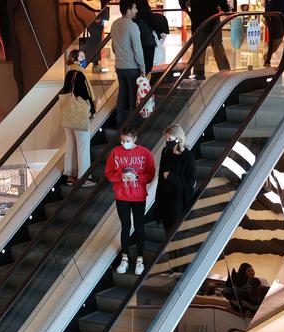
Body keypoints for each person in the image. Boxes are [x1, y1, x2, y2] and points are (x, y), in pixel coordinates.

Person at [105, 127, 156, 275]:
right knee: (125, 226)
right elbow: (109, 173)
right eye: (122, 140)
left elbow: (150, 174)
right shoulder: (115, 152)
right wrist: (121, 176)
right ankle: (125, 259)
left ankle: (140, 260)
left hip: (138, 196)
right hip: (122, 195)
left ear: (134, 139)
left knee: (139, 226)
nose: (124, 143)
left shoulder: (145, 153)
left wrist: (138, 178)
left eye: (127, 141)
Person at [61, 49, 97, 187]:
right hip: (78, 115)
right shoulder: (80, 74)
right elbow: (83, 94)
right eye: (82, 57)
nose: (84, 59)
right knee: (82, 145)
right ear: (75, 59)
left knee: (71, 144)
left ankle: (71, 176)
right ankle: (83, 177)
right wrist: (92, 109)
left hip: (68, 114)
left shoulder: (69, 73)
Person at [155, 124, 196, 233]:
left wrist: (171, 177)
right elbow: (161, 178)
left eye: (170, 139)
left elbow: (190, 182)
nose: (167, 141)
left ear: (178, 139)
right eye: (166, 139)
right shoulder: (165, 152)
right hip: (165, 198)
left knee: (176, 233)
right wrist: (158, 199)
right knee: (167, 230)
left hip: (179, 201)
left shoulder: (188, 157)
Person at [111, 0, 146, 124]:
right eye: (134, 8)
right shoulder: (132, 26)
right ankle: (131, 124)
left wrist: (120, 57)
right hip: (132, 67)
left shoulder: (114, 24)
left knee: (122, 94)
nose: (136, 10)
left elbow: (113, 47)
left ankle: (120, 121)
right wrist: (142, 67)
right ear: (128, 10)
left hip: (119, 67)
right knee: (133, 96)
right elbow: (138, 49)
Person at [180, 0, 231, 80]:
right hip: (212, 19)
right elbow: (223, 4)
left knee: (199, 49)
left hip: (199, 19)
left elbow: (182, 2)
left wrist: (187, 10)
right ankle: (226, 73)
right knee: (217, 48)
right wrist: (226, 9)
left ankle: (198, 75)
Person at [134, 0, 170, 76]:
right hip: (147, 43)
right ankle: (144, 84)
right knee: (146, 68)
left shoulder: (134, 15)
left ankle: (140, 83)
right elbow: (156, 25)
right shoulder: (145, 12)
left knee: (139, 67)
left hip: (137, 43)